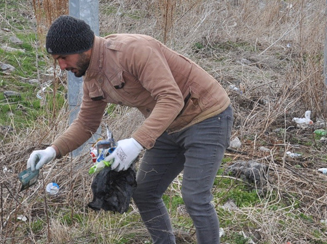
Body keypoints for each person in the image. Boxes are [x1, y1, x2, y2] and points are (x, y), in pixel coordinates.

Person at [27, 15, 233, 244]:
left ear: (84, 48)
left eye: (63, 58)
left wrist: (136, 143)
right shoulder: (92, 77)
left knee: (195, 197)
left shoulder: (133, 50)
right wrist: (52, 150)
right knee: (145, 194)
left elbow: (171, 98)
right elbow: (86, 124)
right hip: (167, 125)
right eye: (57, 60)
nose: (62, 66)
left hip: (207, 115)